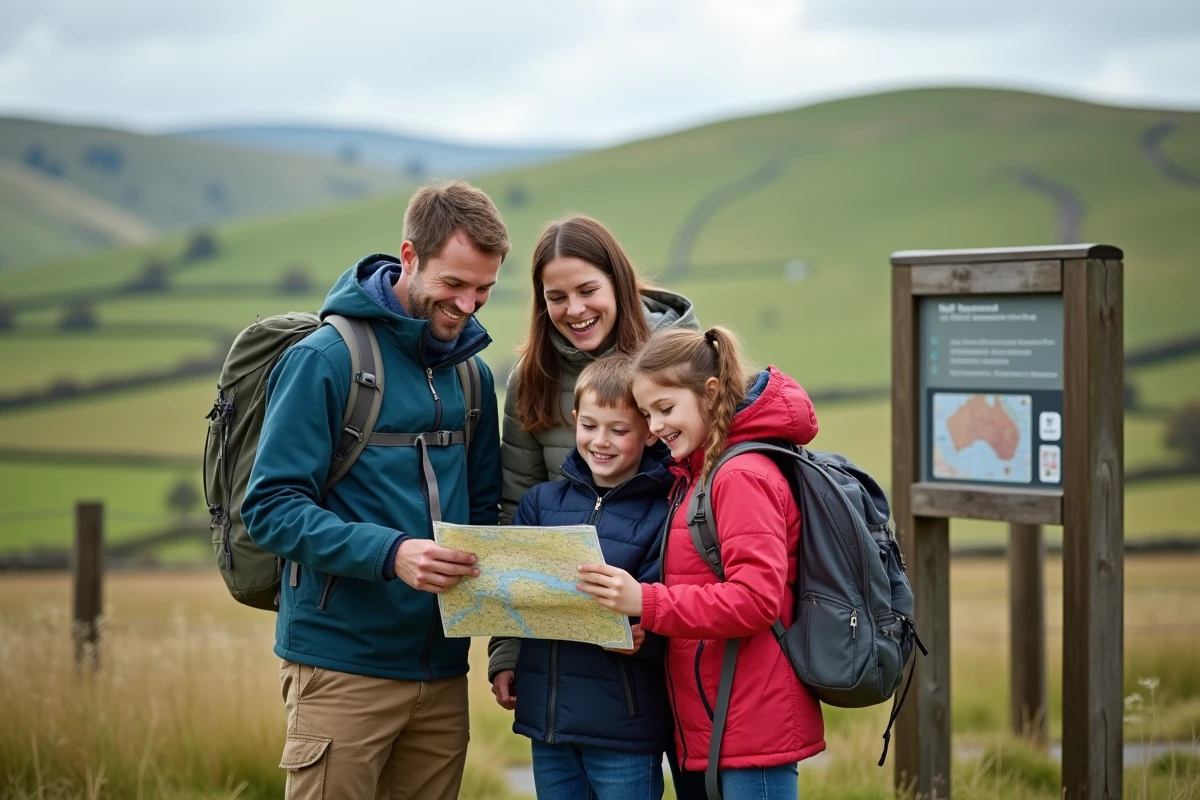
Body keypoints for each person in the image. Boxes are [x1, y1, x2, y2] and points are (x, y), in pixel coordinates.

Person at [241, 181, 509, 800]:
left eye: (483, 290)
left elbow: (490, 514)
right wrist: (393, 554)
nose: (468, 305)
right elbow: (271, 508)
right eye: (453, 285)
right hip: (342, 668)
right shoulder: (326, 360)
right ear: (409, 257)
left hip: (443, 674)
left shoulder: (472, 375)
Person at [576, 326, 827, 800]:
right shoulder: (699, 473)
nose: (653, 427)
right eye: (647, 413)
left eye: (665, 409)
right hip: (722, 718)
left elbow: (755, 601)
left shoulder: (739, 476)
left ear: (710, 394)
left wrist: (644, 600)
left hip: (751, 722)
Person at [489, 355, 675, 800]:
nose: (601, 441)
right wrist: (506, 657)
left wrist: (646, 639)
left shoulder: (665, 511)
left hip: (623, 728)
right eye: (589, 425)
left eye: (619, 429)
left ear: (649, 431)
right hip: (547, 722)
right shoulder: (538, 503)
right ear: (574, 419)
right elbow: (511, 592)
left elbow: (668, 607)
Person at [500, 214, 699, 523]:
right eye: (557, 298)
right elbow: (517, 499)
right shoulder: (531, 376)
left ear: (617, 283)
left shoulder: (678, 362)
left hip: (663, 562)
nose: (575, 310)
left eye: (588, 290)